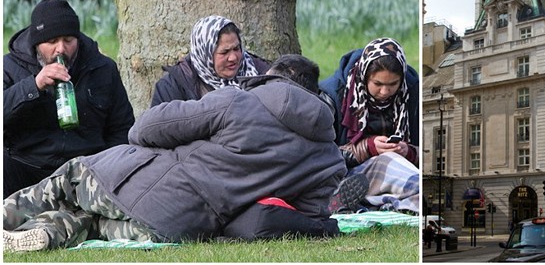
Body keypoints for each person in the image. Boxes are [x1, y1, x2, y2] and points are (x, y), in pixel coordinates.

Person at [3, 54, 347, 252]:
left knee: (71, 178)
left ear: (272, 79)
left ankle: (7, 215)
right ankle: (46, 236)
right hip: (181, 228)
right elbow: (303, 216)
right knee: (91, 224)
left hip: (144, 183)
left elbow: (147, 128)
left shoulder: (238, 102)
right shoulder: (328, 158)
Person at [3, 0, 135, 198]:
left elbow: (121, 128)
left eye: (68, 40)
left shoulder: (102, 68)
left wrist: (105, 168)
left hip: (86, 170)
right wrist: (33, 85)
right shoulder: (9, 67)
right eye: (52, 41)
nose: (61, 49)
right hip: (28, 168)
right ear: (36, 42)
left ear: (78, 39)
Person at [320, 37, 420, 213]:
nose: (385, 92)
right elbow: (322, 154)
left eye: (393, 84)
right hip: (349, 173)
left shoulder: (413, 93)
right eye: (378, 84)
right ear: (364, 76)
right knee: (407, 177)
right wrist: (368, 147)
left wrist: (409, 151)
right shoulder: (332, 94)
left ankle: (370, 208)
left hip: (401, 170)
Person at [151, 15, 270, 107]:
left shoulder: (263, 74)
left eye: (236, 48)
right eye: (224, 52)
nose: (233, 57)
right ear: (205, 54)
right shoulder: (172, 87)